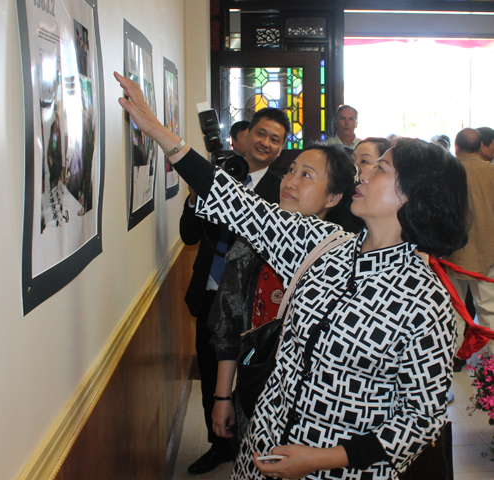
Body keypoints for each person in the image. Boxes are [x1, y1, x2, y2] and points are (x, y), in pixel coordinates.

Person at [115, 71, 470, 480]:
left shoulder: (426, 302)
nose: (363, 175)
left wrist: (317, 459)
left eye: (380, 169)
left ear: (412, 196)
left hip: (336, 471)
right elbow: (237, 205)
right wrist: (159, 132)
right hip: (261, 448)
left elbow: (419, 420)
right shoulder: (324, 244)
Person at [209, 143, 364, 444]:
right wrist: (222, 396)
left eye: (306, 175)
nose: (290, 181)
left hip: (317, 406)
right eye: (291, 170)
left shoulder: (349, 262)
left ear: (333, 197)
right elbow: (228, 327)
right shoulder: (250, 246)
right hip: (256, 383)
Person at [180, 106, 290, 474]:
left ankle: (255, 441)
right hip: (210, 291)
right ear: (245, 136)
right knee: (211, 372)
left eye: (275, 139)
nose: (265, 143)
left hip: (258, 304)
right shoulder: (216, 177)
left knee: (256, 376)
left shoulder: (283, 189)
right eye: (261, 133)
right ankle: (219, 445)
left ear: (281, 148)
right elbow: (189, 236)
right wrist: (197, 197)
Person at [446, 128, 494, 366]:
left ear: (457, 147)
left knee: (455, 308)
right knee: (488, 309)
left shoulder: (446, 173)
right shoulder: (492, 171)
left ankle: (455, 357)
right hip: (488, 250)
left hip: (453, 251)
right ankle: (490, 362)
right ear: (481, 147)